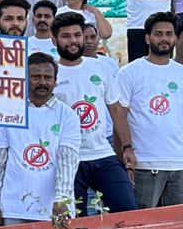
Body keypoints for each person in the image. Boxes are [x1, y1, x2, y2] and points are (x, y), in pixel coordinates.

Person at [52, 12, 137, 215]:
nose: (73, 41)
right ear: (54, 39)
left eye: (77, 35)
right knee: (74, 220)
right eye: (66, 36)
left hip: (103, 153)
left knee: (126, 210)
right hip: (67, 159)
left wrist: (127, 147)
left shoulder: (100, 66)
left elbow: (116, 109)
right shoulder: (49, 71)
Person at [114, 11, 183, 209]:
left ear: (175, 38)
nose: (164, 38)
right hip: (143, 164)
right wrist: (123, 162)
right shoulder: (129, 72)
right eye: (158, 34)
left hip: (180, 164)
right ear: (147, 38)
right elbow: (120, 118)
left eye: (169, 34)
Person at [0, 54, 82, 227]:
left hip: (54, 208)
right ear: (24, 79)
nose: (42, 82)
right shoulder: (9, 112)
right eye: (36, 77)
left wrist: (62, 199)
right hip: (12, 207)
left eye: (48, 78)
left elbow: (68, 162)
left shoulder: (68, 116)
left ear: (55, 80)